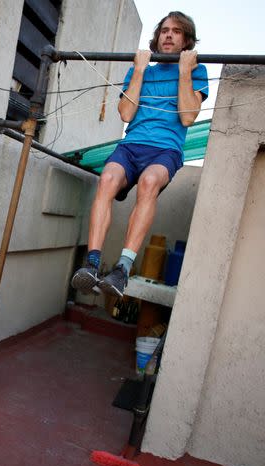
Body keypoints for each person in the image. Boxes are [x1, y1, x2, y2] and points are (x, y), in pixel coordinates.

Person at [71, 11, 208, 298]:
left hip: (165, 149)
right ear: (158, 37)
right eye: (165, 30)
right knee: (107, 178)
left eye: (177, 31)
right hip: (132, 145)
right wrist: (141, 70)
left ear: (186, 40)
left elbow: (188, 117)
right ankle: (92, 264)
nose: (169, 35)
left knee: (148, 183)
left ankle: (122, 269)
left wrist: (184, 71)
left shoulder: (197, 70)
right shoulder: (140, 70)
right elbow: (125, 113)